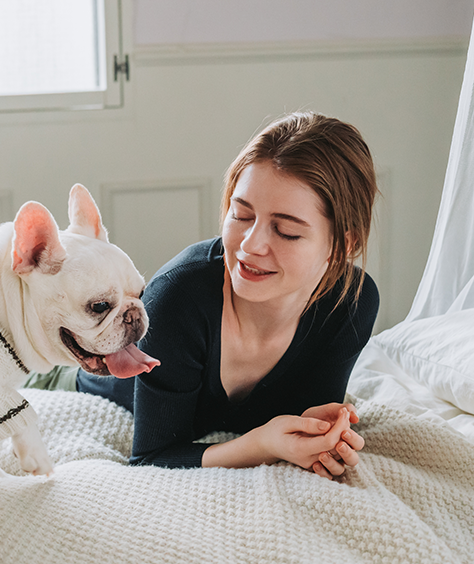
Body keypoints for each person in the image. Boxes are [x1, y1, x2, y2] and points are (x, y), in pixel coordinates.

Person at [37, 111, 380, 479]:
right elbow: (152, 456)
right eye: (242, 215)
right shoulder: (179, 298)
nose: (251, 245)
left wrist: (321, 431)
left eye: (286, 231)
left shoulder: (351, 305)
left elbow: (304, 415)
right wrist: (262, 445)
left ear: (343, 245)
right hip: (68, 376)